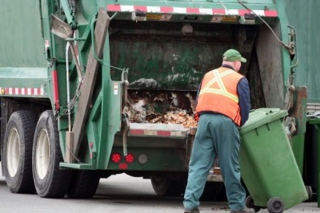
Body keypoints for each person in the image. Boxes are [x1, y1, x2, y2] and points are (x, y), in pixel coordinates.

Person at [183, 49, 252, 213]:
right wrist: (239, 123)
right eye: (240, 63)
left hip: (204, 121)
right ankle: (237, 206)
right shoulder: (239, 79)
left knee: (199, 165)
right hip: (225, 123)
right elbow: (245, 107)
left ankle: (190, 205)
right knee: (230, 166)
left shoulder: (208, 75)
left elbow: (199, 99)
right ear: (236, 63)